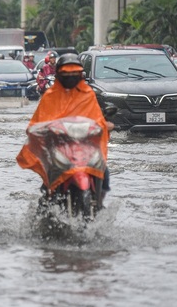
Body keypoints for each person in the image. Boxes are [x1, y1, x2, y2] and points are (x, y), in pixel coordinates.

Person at [16, 54, 113, 199]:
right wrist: (36, 131)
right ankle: (45, 210)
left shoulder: (88, 95)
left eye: (75, 73)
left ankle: (99, 202)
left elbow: (96, 120)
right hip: (59, 149)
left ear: (81, 74)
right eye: (67, 73)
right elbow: (37, 123)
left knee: (104, 173)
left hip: (85, 149)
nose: (71, 77)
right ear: (59, 75)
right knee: (47, 187)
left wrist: (105, 125)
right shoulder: (49, 96)